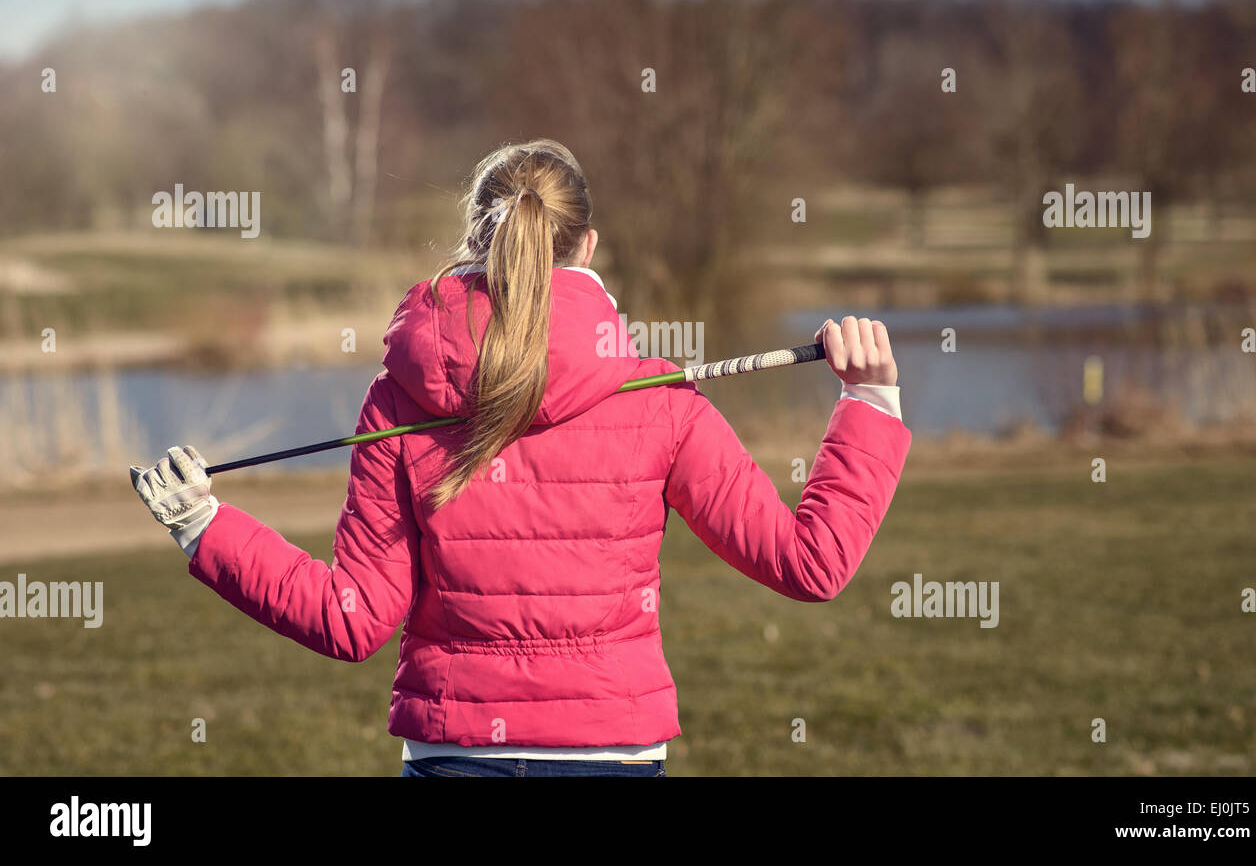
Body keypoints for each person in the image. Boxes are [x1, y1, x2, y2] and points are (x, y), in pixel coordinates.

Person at [131, 138, 911, 777]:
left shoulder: (400, 397)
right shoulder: (657, 397)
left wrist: (204, 524)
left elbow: (351, 619)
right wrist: (869, 400)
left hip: (455, 754)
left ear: (474, 238)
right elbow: (811, 562)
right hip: (613, 750)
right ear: (591, 246)